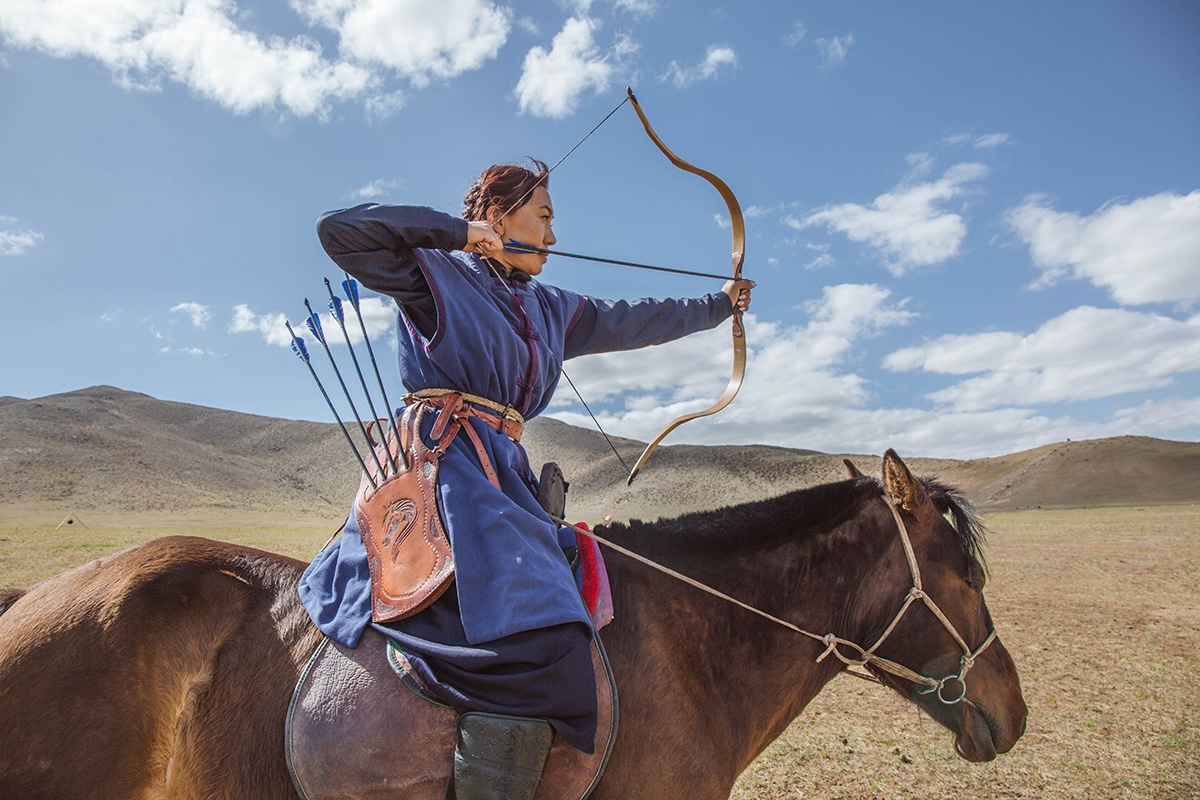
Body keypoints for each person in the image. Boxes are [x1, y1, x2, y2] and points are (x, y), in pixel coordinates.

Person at [298, 160, 753, 800]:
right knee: (536, 633)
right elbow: (340, 232)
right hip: (445, 471)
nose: (552, 235)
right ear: (501, 213)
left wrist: (717, 306)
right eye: (543, 216)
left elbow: (634, 319)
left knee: (567, 606)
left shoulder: (550, 308)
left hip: (503, 479)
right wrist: (459, 234)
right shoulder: (436, 275)